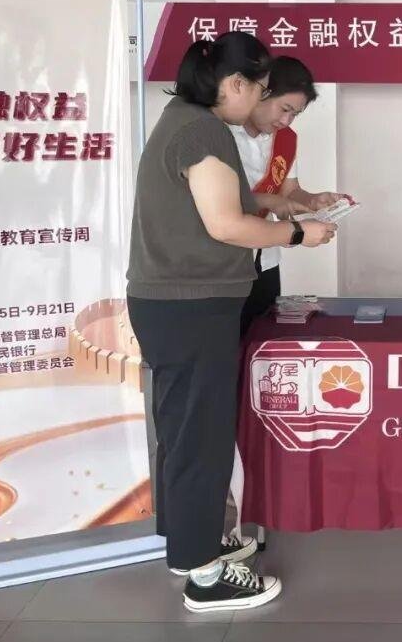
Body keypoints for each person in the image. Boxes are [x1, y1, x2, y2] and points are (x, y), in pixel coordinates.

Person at [126, 32, 336, 614]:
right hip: (191, 304)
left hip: (175, 302)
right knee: (201, 436)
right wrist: (299, 234)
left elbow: (227, 208)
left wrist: (291, 212)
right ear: (236, 83)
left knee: (184, 430)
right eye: (262, 91)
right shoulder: (204, 131)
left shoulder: (183, 119)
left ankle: (190, 545)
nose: (262, 104)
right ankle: (205, 575)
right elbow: (226, 224)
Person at [229, 56, 350, 336]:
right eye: (284, 109)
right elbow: (223, 202)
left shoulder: (285, 139)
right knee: (227, 347)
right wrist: (277, 208)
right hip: (225, 263)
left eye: (294, 114)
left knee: (261, 343)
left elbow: (289, 191)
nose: (286, 120)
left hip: (266, 258)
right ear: (260, 92)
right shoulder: (221, 134)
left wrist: (313, 200)